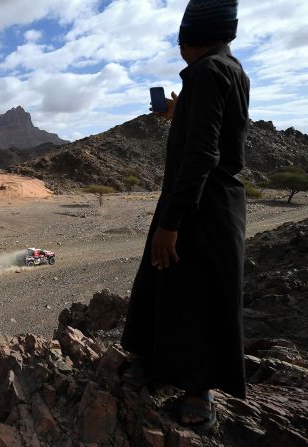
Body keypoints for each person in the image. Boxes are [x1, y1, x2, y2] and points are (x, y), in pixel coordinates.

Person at [120, 0, 249, 431]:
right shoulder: (230, 70)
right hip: (201, 199)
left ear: (187, 39)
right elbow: (213, 129)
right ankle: (152, 364)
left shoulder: (207, 73)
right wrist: (177, 113)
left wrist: (171, 223)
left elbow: (203, 153)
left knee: (200, 291)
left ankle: (199, 392)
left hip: (202, 205)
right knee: (168, 282)